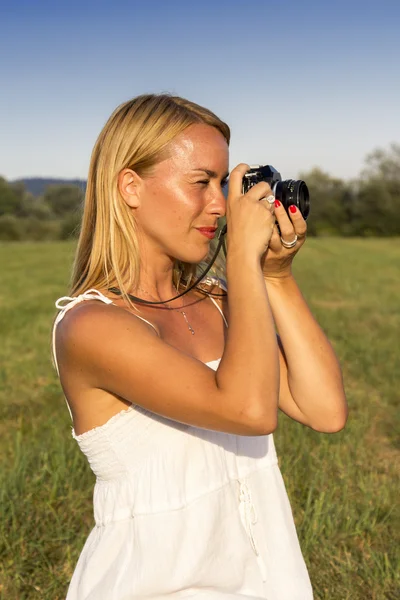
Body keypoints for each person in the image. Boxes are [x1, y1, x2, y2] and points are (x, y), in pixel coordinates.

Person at [52, 93, 348, 600]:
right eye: (200, 183)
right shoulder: (91, 325)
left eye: (225, 184)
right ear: (130, 188)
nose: (220, 205)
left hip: (264, 580)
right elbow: (249, 410)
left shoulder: (218, 303)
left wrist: (275, 276)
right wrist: (242, 260)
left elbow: (324, 411)